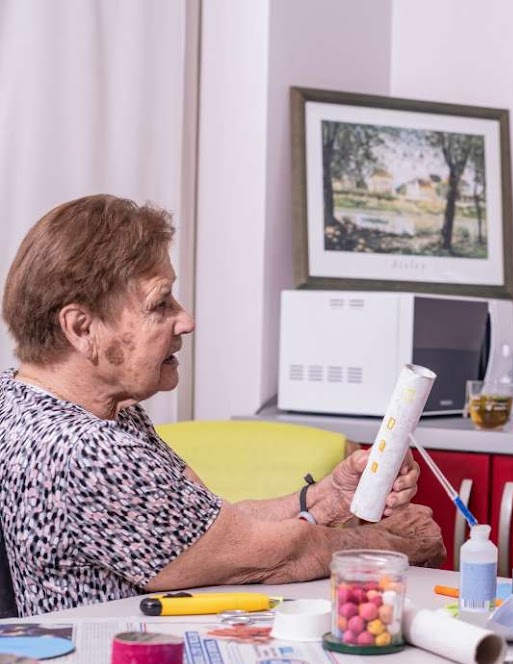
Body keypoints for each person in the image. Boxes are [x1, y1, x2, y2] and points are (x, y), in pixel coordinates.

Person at [0, 194, 445, 617]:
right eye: (160, 304)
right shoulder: (85, 450)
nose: (186, 320)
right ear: (82, 328)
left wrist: (330, 498)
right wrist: (395, 545)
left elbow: (209, 527)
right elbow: (277, 557)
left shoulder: (39, 401)